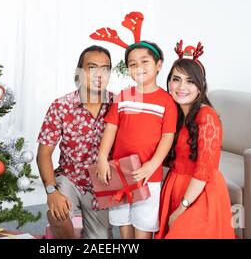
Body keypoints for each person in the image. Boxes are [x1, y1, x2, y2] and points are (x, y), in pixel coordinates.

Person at [96, 41, 177, 239]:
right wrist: (102, 158)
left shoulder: (167, 101)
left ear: (158, 65)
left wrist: (153, 165)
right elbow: (111, 128)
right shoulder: (124, 96)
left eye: (144, 62)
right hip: (119, 170)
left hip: (148, 175)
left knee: (144, 223)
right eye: (132, 64)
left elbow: (167, 136)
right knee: (123, 223)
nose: (138, 68)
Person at [155, 41, 235, 239]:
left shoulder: (207, 117)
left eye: (190, 81)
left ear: (200, 87)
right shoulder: (175, 114)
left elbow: (203, 171)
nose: (182, 87)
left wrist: (182, 208)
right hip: (174, 186)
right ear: (168, 83)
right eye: (176, 79)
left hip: (200, 192)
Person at [36, 45, 114, 239]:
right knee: (58, 214)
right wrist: (51, 191)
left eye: (105, 69)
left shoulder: (118, 104)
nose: (99, 75)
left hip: (101, 185)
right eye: (92, 68)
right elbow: (43, 154)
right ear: (79, 72)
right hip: (70, 178)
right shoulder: (61, 106)